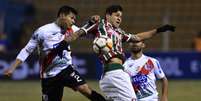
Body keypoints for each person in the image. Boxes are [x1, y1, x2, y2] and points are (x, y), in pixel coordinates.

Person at [4, 5, 106, 101]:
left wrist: (94, 23)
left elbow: (87, 33)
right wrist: (13, 67)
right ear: (62, 15)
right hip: (49, 75)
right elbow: (27, 50)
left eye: (74, 19)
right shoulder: (42, 32)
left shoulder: (72, 29)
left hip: (66, 69)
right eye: (72, 18)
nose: (73, 21)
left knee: (85, 89)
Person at [91, 5, 174, 101]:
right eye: (117, 15)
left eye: (120, 16)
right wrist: (91, 21)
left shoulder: (151, 61)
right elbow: (85, 30)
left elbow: (138, 37)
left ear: (144, 45)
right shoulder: (124, 65)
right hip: (115, 77)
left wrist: (159, 30)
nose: (119, 18)